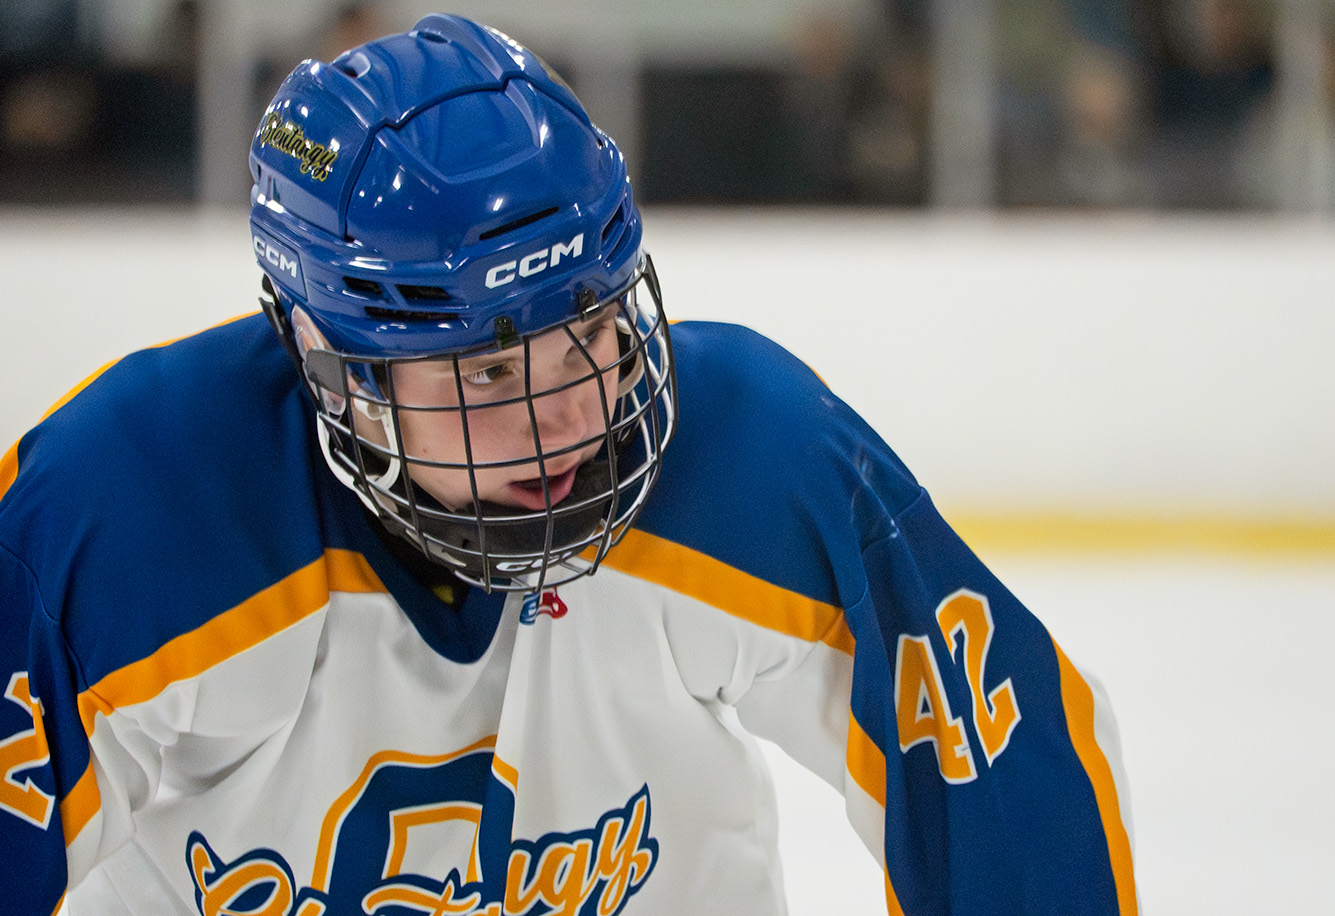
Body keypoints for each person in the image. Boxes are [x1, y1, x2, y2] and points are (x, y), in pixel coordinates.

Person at [0, 14, 1138, 915]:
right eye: (488, 371)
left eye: (590, 329)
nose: (567, 419)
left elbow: (1004, 771)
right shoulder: (122, 515)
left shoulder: (751, 457)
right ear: (326, 358)